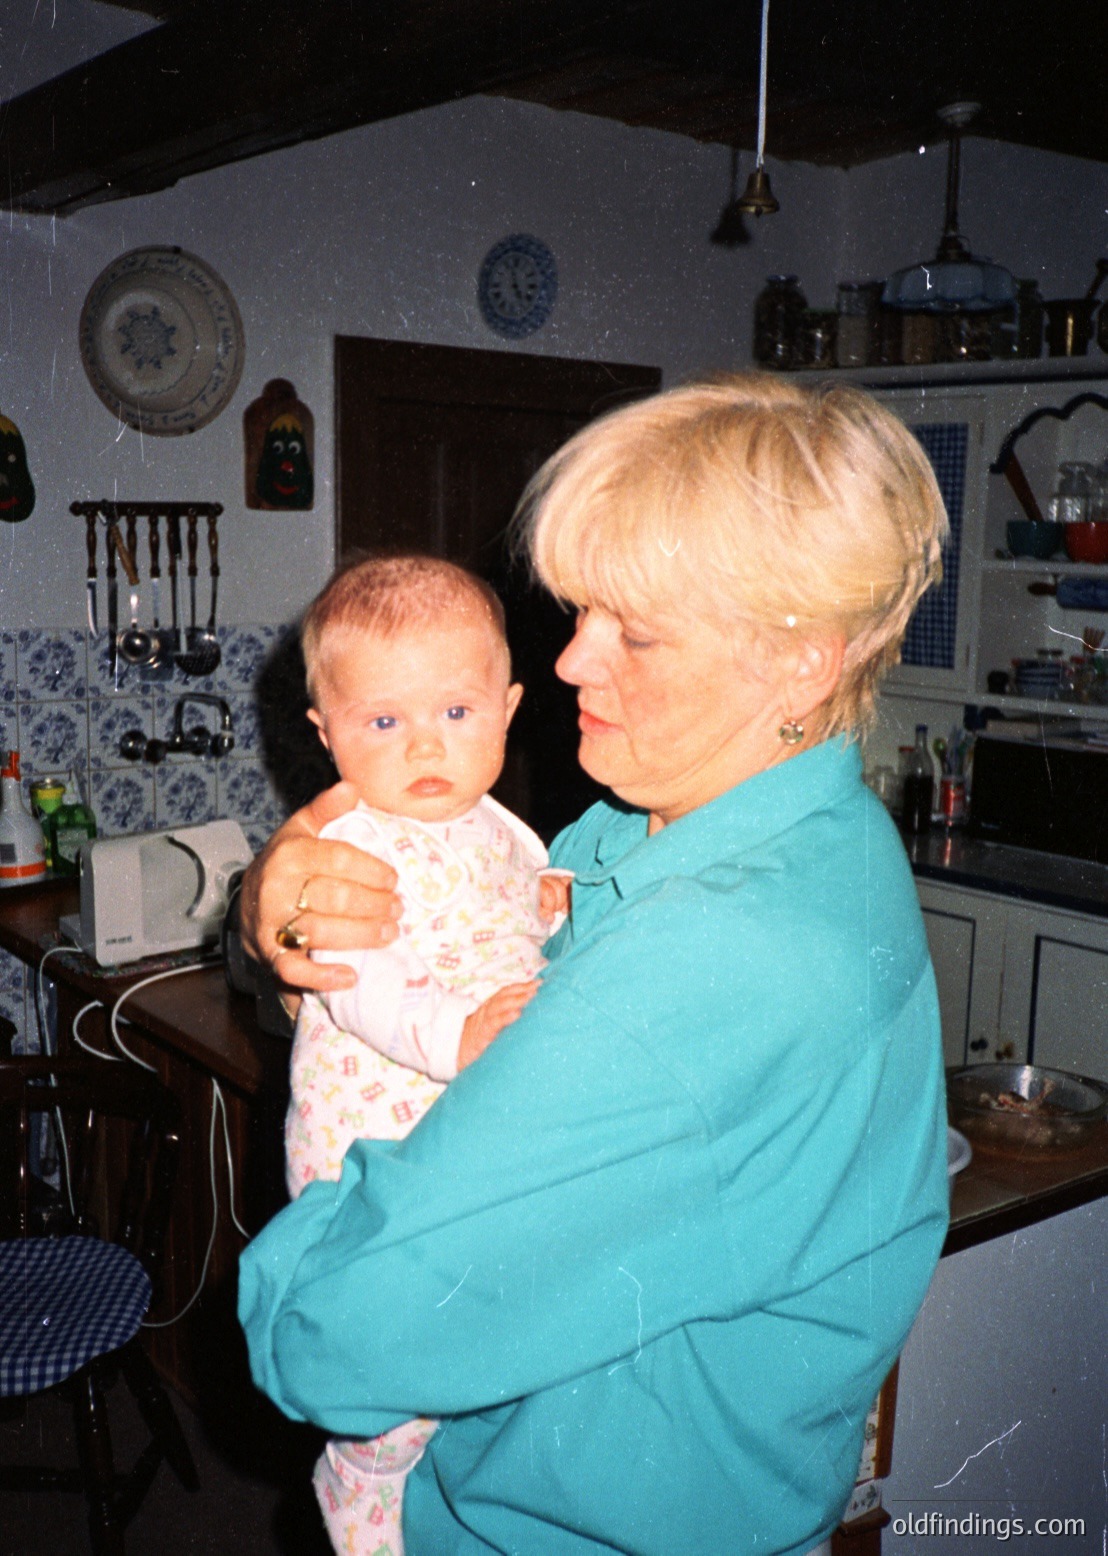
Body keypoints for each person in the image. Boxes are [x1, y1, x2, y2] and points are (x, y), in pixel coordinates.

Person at [239, 373, 952, 1556]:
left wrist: (337, 1219)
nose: (569, 663)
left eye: (637, 629)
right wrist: (291, 864)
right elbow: (442, 909)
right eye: (578, 612)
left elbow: (330, 1336)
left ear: (800, 661)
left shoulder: (712, 960)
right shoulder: (713, 829)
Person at [284, 554, 570, 1554]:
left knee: (473, 1349)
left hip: (465, 1144)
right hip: (372, 1146)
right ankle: (360, 1505)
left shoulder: (506, 829)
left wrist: (553, 910)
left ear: (507, 705)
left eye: (455, 710)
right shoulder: (344, 846)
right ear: (326, 732)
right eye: (382, 721)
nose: (424, 747)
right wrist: (459, 1034)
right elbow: (357, 983)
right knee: (387, 1379)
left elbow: (520, 918)